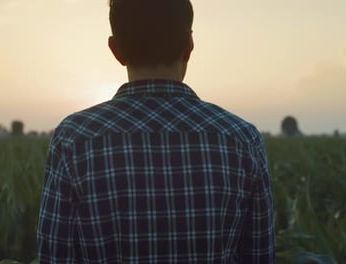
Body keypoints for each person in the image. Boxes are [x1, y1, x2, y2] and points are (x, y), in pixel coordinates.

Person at [37, 0, 276, 263]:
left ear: (116, 50)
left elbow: (54, 256)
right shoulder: (241, 139)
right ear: (189, 46)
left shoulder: (74, 139)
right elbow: (260, 256)